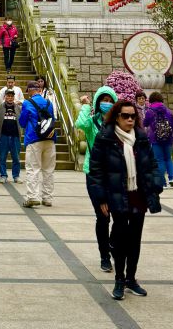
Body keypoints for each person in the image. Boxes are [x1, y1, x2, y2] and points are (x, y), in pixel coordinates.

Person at [87, 99, 163, 300]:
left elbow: (152, 164)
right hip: (117, 194)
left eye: (133, 116)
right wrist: (101, 198)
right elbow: (96, 171)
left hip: (138, 195)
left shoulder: (141, 137)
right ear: (117, 117)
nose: (130, 119)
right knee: (120, 239)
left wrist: (156, 184)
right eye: (125, 116)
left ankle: (131, 278)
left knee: (135, 239)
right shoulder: (106, 138)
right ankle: (119, 279)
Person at [75, 85, 118, 272]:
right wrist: (85, 105)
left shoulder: (118, 123)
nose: (106, 104)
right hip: (95, 175)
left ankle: (112, 244)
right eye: (103, 100)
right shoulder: (92, 122)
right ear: (97, 102)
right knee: (102, 217)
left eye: (110, 101)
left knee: (119, 216)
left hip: (115, 176)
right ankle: (104, 256)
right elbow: (80, 125)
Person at [19, 81, 56, 207]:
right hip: (50, 139)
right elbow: (53, 120)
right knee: (48, 170)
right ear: (39, 90)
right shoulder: (49, 103)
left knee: (33, 169)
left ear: (29, 90)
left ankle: (33, 197)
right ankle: (47, 198)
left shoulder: (27, 103)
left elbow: (22, 122)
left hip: (34, 139)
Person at [143, 92, 173, 188]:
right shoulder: (168, 111)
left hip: (155, 139)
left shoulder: (150, 111)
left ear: (151, 100)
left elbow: (145, 124)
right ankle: (171, 179)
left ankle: (162, 182)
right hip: (168, 139)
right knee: (168, 159)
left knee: (159, 160)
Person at [0, 88, 21, 183]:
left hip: (15, 136)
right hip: (3, 136)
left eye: (12, 96)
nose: (10, 98)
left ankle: (16, 176)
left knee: (16, 158)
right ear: (4, 97)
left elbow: (21, 121)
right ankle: (3, 175)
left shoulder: (18, 107)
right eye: (8, 96)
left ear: (14, 97)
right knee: (2, 157)